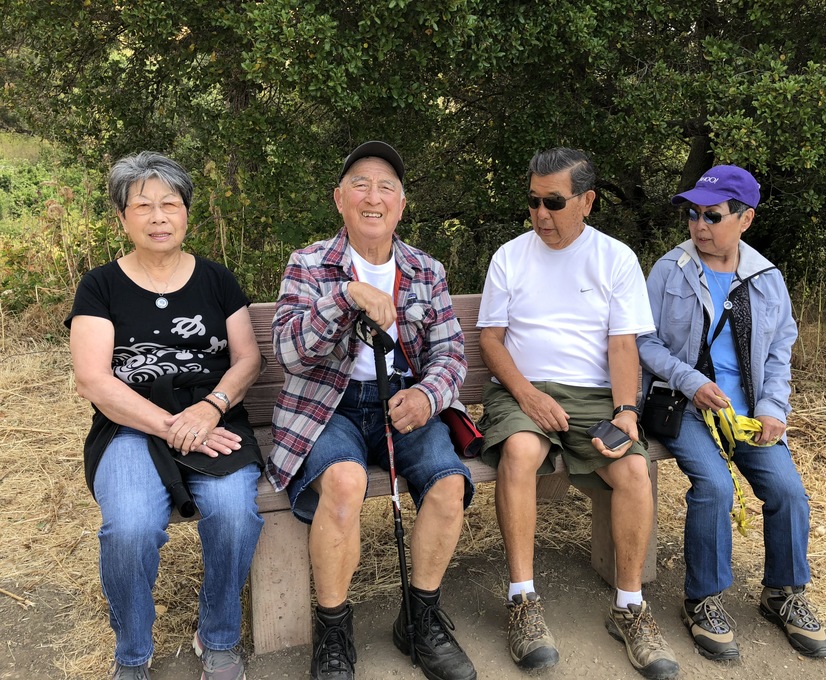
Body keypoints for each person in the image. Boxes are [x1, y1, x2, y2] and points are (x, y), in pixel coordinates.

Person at [269, 141, 477, 680]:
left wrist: (428, 396)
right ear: (340, 199)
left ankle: (421, 618)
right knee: (343, 482)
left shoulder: (425, 270)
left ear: (401, 206)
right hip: (326, 407)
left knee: (449, 484)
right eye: (360, 184)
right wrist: (346, 297)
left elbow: (452, 354)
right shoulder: (310, 263)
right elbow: (291, 352)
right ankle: (334, 630)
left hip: (401, 404)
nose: (373, 197)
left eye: (387, 187)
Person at [477, 147, 680, 680]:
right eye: (532, 202)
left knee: (635, 470)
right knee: (520, 451)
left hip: (594, 395)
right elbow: (491, 340)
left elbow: (621, 347)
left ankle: (629, 607)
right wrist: (525, 394)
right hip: (524, 387)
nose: (541, 214)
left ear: (587, 201)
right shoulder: (510, 257)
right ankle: (522, 600)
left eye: (554, 202)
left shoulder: (615, 259)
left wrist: (626, 411)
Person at [66, 152, 265, 680]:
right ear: (123, 217)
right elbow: (93, 379)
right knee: (129, 528)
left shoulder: (218, 280)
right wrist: (174, 427)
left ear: (186, 213)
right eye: (144, 206)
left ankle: (218, 637)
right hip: (130, 426)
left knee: (232, 513)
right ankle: (133, 651)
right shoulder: (100, 286)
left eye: (170, 204)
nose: (158, 217)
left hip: (215, 419)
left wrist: (210, 408)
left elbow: (247, 358)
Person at [637, 165, 826, 661]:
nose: (699, 225)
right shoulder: (670, 270)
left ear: (745, 219)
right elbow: (643, 342)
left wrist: (772, 408)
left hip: (747, 414)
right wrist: (692, 380)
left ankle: (783, 594)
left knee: (788, 491)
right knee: (716, 487)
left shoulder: (766, 279)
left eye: (713, 215)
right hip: (684, 409)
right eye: (693, 214)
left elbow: (779, 350)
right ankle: (703, 599)